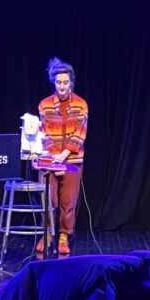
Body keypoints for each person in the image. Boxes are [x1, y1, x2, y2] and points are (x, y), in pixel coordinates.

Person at [37, 57, 87, 258]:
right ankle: (48, 233)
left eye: (66, 82)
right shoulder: (45, 105)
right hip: (49, 160)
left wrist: (63, 158)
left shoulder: (81, 104)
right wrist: (54, 158)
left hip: (72, 161)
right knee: (49, 200)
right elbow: (44, 134)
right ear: (53, 82)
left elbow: (79, 133)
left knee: (68, 201)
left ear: (71, 82)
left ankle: (64, 236)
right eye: (59, 82)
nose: (62, 86)